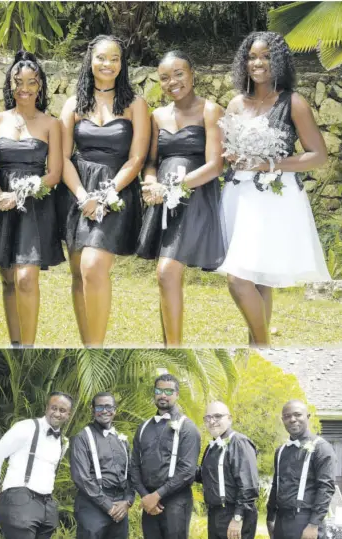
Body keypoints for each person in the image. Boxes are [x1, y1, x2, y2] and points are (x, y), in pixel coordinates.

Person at [218, 31, 330, 345]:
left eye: (266, 56)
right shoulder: (236, 103)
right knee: (255, 279)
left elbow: (317, 155)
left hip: (273, 199)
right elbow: (229, 150)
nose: (258, 63)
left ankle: (261, 343)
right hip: (239, 196)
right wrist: (233, 156)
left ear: (278, 60)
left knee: (240, 280)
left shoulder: (293, 102)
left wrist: (269, 163)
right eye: (252, 57)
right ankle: (259, 344)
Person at [59, 35, 150, 346]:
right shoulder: (73, 104)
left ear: (122, 64)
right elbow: (62, 156)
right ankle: (86, 343)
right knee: (78, 273)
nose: (107, 64)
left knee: (93, 265)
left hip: (116, 190)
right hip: (76, 190)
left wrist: (107, 193)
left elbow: (137, 158)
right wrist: (83, 195)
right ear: (90, 60)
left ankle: (96, 346)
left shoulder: (135, 104)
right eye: (101, 58)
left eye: (114, 59)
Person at [136, 50, 224, 346]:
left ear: (192, 74)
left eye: (178, 74)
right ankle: (168, 342)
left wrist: (175, 187)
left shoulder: (210, 110)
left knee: (167, 271)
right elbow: (150, 161)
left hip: (195, 198)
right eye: (164, 77)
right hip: (163, 202)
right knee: (166, 276)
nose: (172, 81)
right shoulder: (157, 116)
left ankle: (174, 347)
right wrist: (150, 183)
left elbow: (215, 165)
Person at [0, 51, 64, 347]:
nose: (25, 88)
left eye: (32, 82)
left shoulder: (51, 124)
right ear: (9, 84)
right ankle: (15, 343)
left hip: (34, 206)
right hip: (0, 205)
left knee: (26, 279)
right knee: (7, 280)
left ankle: (29, 346)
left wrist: (18, 194)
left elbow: (54, 173)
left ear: (41, 85)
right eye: (18, 82)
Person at [0, 391, 73, 539]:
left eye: (63, 410)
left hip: (46, 504)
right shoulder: (25, 428)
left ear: (68, 415)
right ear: (46, 407)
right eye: (54, 408)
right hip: (20, 499)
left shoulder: (63, 442)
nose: (57, 413)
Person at [131, 374, 201, 539]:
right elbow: (134, 467)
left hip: (176, 501)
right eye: (159, 390)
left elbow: (187, 471)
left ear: (177, 395)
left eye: (169, 391)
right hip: (148, 502)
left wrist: (157, 495)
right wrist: (145, 496)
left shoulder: (188, 428)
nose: (163, 395)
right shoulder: (143, 428)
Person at [266, 400, 336, 539]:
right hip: (281, 522)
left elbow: (326, 488)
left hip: (304, 522)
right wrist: (270, 519)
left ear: (307, 417)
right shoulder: (281, 451)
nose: (292, 419)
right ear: (283, 420)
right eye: (287, 416)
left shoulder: (322, 448)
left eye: (297, 414)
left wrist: (313, 525)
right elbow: (275, 486)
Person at [70, 392, 134, 539]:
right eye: (99, 407)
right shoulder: (82, 438)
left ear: (115, 411)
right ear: (93, 410)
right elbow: (81, 477)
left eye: (108, 407)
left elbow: (132, 474)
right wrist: (108, 505)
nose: (104, 410)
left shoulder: (122, 441)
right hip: (92, 506)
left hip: (120, 506)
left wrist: (128, 501)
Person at [197, 401, 259, 539]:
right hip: (215, 515)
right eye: (208, 417)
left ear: (229, 418)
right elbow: (203, 476)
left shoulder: (239, 442)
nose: (212, 421)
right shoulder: (211, 447)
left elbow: (249, 486)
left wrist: (238, 518)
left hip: (235, 514)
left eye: (218, 416)